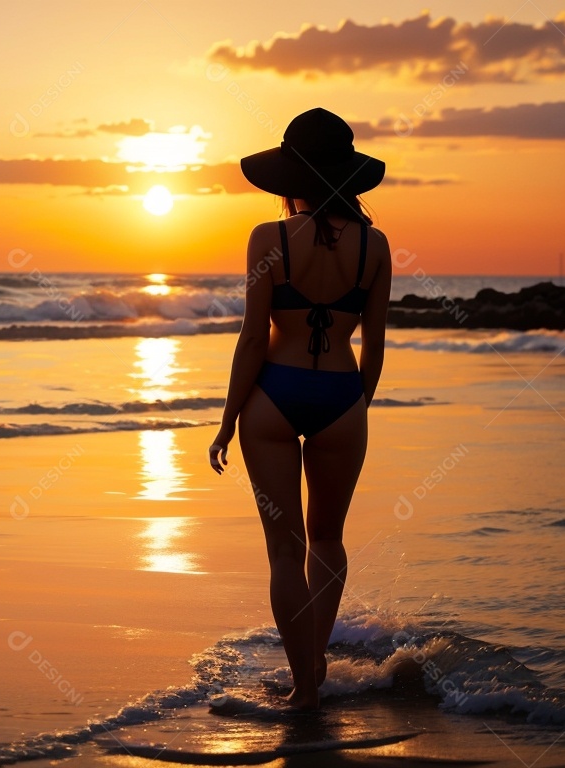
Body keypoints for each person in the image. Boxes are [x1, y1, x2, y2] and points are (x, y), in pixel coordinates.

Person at [208, 108, 392, 710]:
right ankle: (314, 659)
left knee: (284, 550)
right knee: (328, 541)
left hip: (274, 401)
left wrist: (229, 419)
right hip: (342, 397)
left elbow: (254, 339)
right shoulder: (376, 246)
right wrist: (353, 406)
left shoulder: (269, 239)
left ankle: (305, 686)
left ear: (292, 177)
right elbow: (375, 345)